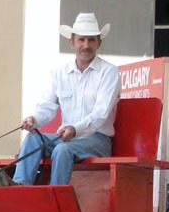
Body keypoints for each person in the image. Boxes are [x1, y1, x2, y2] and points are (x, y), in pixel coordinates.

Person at [12, 13, 120, 186]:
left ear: (99, 43)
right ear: (72, 42)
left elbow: (101, 113)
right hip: (67, 138)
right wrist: (34, 119)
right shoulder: (59, 73)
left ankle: (55, 195)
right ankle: (19, 187)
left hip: (97, 140)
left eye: (91, 40)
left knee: (62, 149)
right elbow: (47, 106)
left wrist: (75, 129)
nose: (86, 45)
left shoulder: (109, 72)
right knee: (33, 138)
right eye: (81, 40)